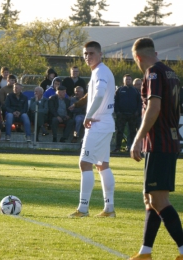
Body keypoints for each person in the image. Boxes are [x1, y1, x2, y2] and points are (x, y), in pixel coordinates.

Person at [129, 38, 183, 260]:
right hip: (166, 141)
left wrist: (138, 138)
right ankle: (145, 251)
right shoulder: (172, 74)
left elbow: (154, 106)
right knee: (149, 198)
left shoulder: (152, 73)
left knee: (159, 200)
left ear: (138, 57)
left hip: (159, 142)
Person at [69, 41, 116, 218]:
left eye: (91, 53)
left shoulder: (101, 71)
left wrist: (88, 114)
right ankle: (109, 208)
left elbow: (100, 94)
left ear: (100, 54)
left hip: (98, 123)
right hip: (105, 122)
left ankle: (83, 209)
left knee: (84, 163)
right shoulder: (99, 71)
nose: (88, 56)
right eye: (85, 54)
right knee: (102, 165)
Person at [112, 74, 141, 152]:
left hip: (132, 115)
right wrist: (117, 111)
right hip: (121, 115)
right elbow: (115, 101)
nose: (128, 81)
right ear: (123, 81)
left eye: (129, 79)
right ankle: (117, 147)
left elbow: (139, 102)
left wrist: (137, 112)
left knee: (132, 132)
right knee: (119, 131)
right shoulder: (119, 90)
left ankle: (131, 148)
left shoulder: (135, 90)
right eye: (126, 79)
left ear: (131, 81)